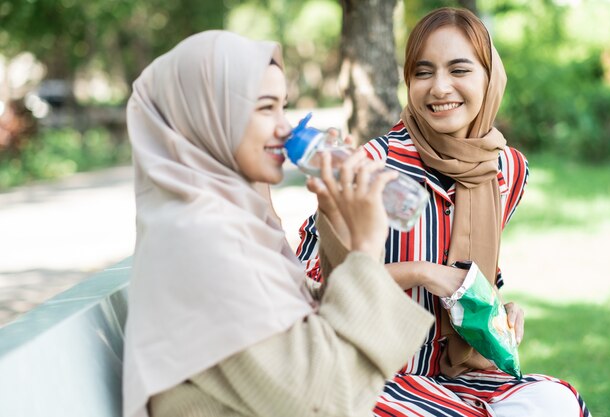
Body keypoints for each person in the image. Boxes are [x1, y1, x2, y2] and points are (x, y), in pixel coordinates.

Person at [296, 7, 592, 417]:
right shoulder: (370, 167)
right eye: (422, 72)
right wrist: (421, 272)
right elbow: (311, 289)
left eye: (459, 70)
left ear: (490, 77)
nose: (439, 88)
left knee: (557, 403)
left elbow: (473, 271)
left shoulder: (507, 170)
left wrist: (497, 312)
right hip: (372, 373)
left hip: (463, 373)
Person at [122, 30, 434, 417]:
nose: (286, 128)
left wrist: (337, 218)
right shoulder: (198, 237)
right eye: (266, 108)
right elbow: (323, 397)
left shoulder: (227, 220)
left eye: (283, 107)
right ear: (208, 115)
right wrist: (368, 248)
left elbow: (312, 327)